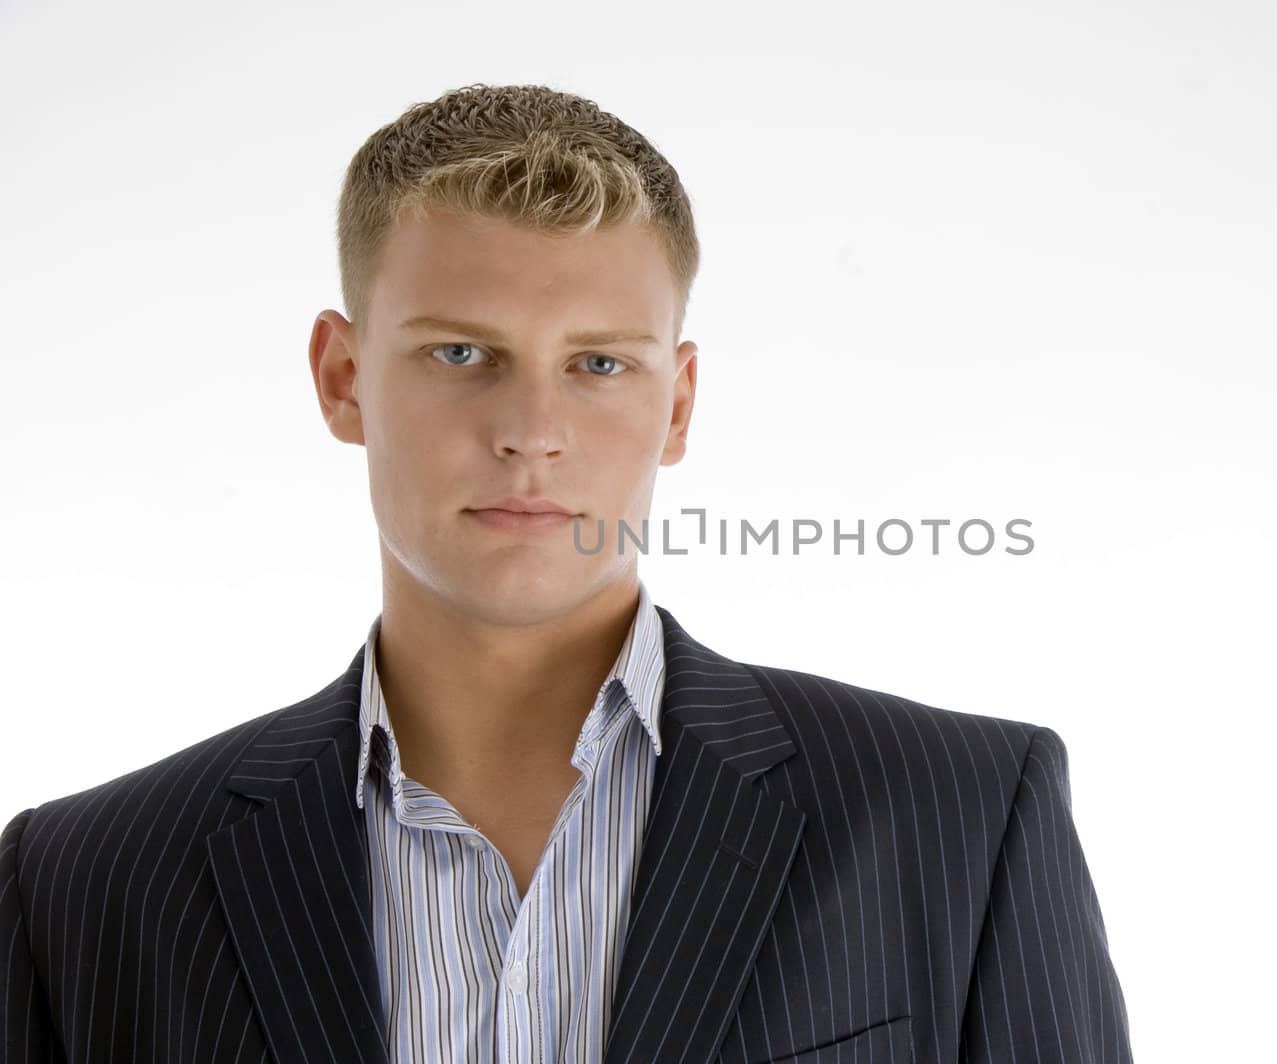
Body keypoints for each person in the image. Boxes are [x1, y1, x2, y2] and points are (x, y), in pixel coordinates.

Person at [0, 82, 1133, 1063]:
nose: (531, 430)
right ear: (342, 378)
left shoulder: (961, 815)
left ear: (676, 402)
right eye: (460, 353)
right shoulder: (86, 884)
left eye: (597, 362)